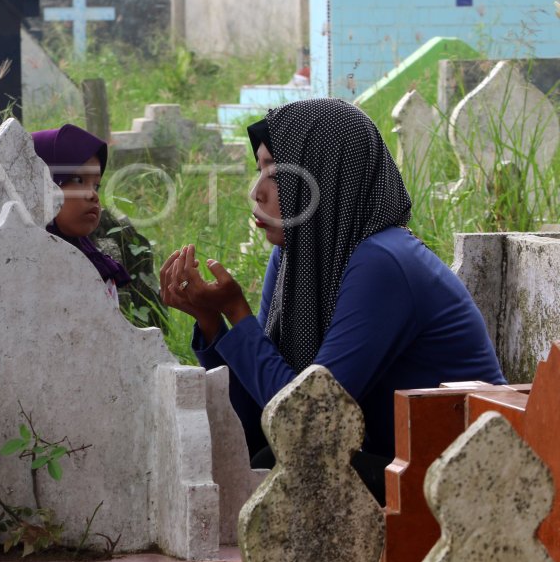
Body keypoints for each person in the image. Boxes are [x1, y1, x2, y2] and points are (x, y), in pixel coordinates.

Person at [160, 99, 505, 502]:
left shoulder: (385, 261)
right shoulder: (294, 258)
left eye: (276, 172)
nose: (257, 192)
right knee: (258, 458)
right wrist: (214, 325)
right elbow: (259, 419)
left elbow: (306, 422)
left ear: (326, 174)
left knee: (283, 466)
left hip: (462, 478)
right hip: (390, 461)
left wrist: (239, 314)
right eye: (260, 171)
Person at [31, 124, 132, 301]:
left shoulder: (99, 268)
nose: (93, 195)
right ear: (42, 186)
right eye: (78, 179)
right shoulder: (18, 265)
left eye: (96, 186)